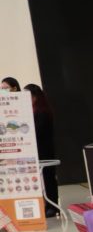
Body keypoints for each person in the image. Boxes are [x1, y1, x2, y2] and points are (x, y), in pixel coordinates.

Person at [24, 84, 58, 217]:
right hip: (37, 150)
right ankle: (47, 205)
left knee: (48, 178)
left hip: (44, 151)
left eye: (28, 96)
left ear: (36, 97)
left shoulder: (42, 112)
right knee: (44, 179)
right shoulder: (32, 111)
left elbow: (37, 132)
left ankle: (53, 206)